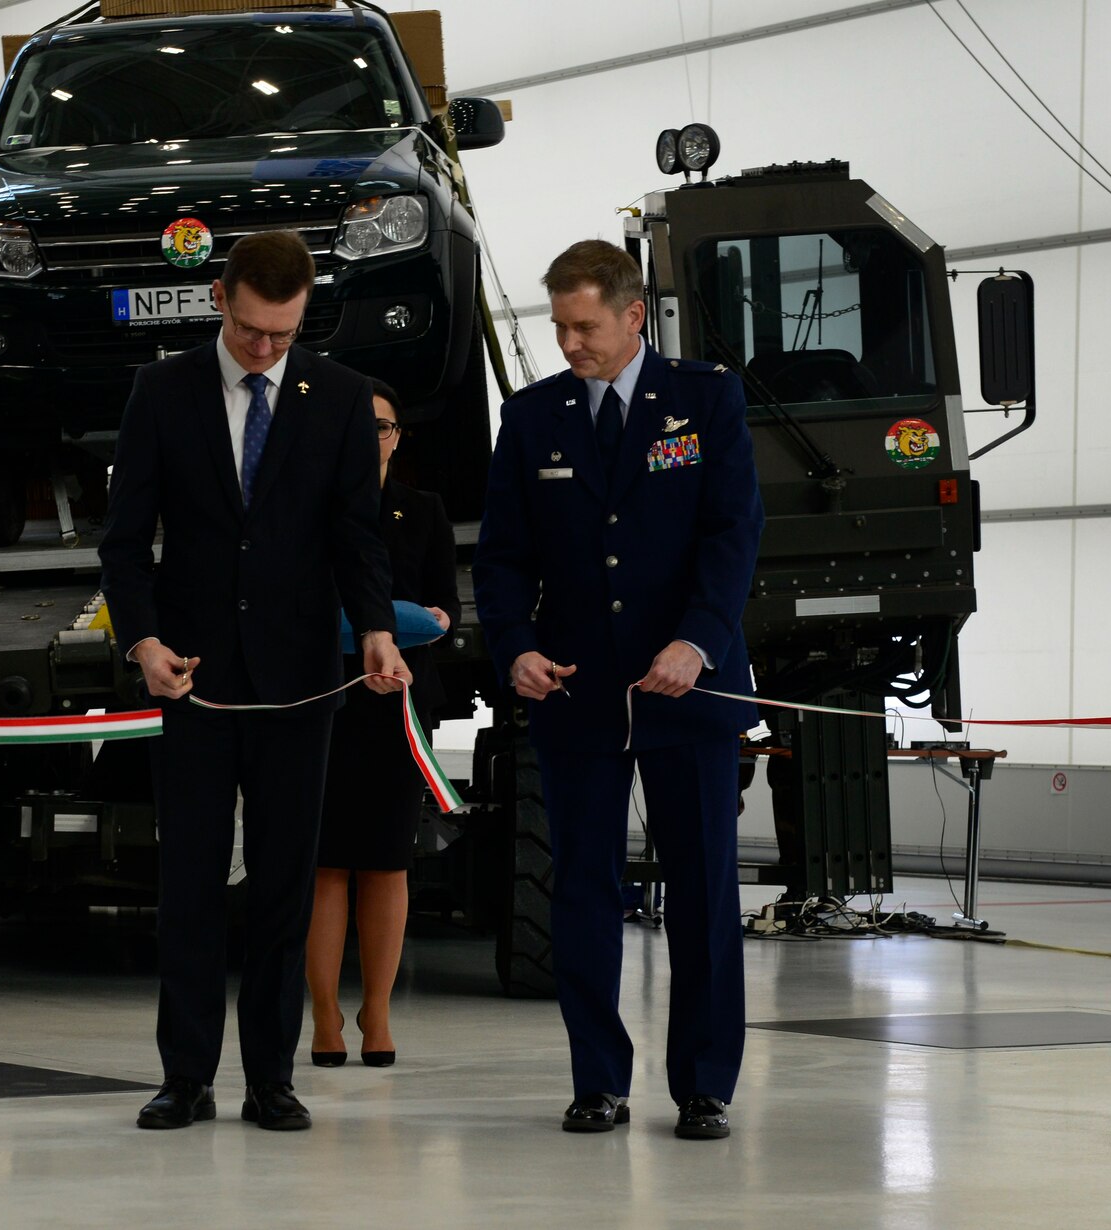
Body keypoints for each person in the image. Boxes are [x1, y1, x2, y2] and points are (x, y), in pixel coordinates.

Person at [99, 230, 412, 1133]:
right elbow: (125, 544)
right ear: (218, 299)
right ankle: (185, 1077)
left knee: (284, 886)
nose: (264, 349)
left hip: (298, 684)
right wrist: (143, 642)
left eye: (283, 333)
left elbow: (358, 540)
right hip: (191, 681)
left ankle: (271, 1078)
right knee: (191, 886)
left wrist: (379, 635)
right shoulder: (162, 392)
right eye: (249, 331)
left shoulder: (343, 400)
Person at [473, 239, 764, 1140]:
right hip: (576, 693)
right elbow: (503, 557)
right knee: (583, 894)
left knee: (704, 890)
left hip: (688, 690)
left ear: (634, 316)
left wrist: (699, 643)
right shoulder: (530, 417)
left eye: (585, 326)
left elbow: (733, 534)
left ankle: (705, 1083)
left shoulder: (704, 398)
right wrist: (516, 648)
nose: (570, 343)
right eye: (559, 327)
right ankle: (597, 1079)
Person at [305, 379, 461, 1070]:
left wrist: (397, 628)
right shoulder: (303, 508)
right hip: (325, 700)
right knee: (326, 863)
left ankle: (378, 1010)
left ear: (399, 436)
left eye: (383, 427)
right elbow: (301, 612)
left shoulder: (423, 511)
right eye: (357, 425)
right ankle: (326, 1016)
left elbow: (442, 615)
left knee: (387, 860)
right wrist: (381, 625)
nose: (372, 437)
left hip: (397, 705)